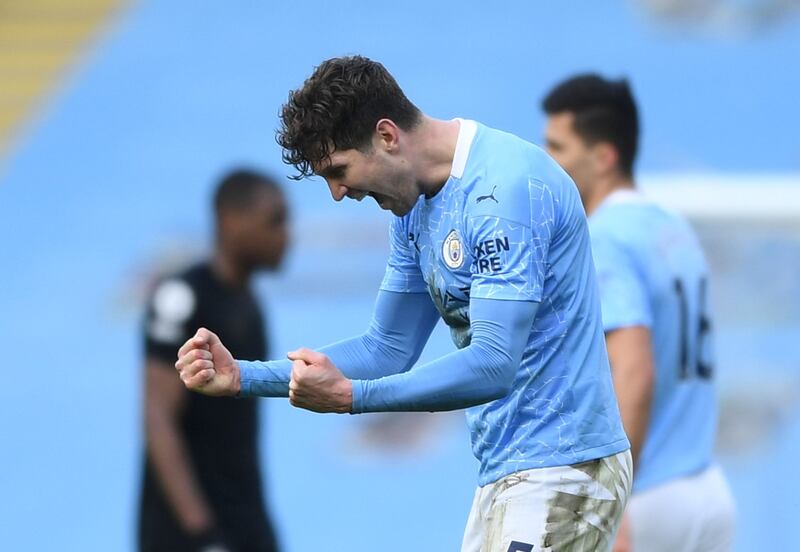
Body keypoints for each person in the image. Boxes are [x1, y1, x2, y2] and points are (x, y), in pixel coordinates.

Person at [176, 56, 632, 551]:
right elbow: (387, 346)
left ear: (387, 136)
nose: (337, 193)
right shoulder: (412, 209)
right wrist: (244, 376)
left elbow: (496, 363)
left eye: (338, 169)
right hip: (505, 469)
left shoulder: (504, 191)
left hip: (564, 466)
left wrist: (353, 399)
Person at [541, 74, 736, 552]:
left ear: (604, 156)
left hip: (648, 498)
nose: (545, 162)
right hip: (705, 490)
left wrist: (614, 499)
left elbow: (634, 370)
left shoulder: (605, 239)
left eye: (557, 147)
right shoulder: (672, 229)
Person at [139, 169, 288, 552]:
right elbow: (158, 419)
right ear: (230, 220)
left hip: (246, 520)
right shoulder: (182, 298)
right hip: (185, 533)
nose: (286, 236)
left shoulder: (249, 306)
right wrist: (202, 534)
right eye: (275, 221)